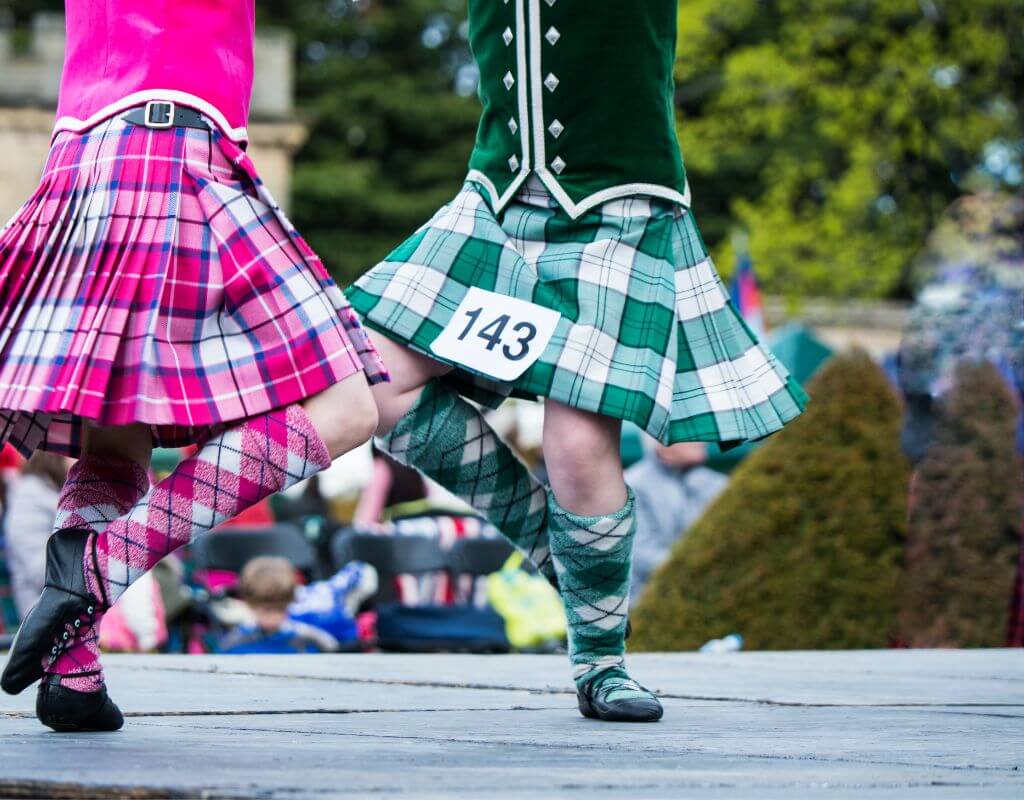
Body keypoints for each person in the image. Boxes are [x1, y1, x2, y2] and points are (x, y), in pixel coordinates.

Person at [0, 0, 386, 732]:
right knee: (351, 407)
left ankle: (73, 677)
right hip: (176, 140)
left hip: (86, 154)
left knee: (115, 434)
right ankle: (103, 565)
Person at [344, 0, 808, 722]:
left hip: (615, 209)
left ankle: (600, 661)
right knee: (369, 378)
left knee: (578, 446)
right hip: (497, 204)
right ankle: (549, 540)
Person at [626, 442, 728, 599]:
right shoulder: (633, 485)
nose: (702, 441)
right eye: (691, 433)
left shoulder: (717, 483)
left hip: (710, 594)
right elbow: (642, 553)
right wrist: (703, 566)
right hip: (652, 601)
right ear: (661, 439)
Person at [218, 557, 339, 655]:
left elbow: (331, 649)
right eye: (266, 610)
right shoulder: (234, 642)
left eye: (280, 609)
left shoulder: (308, 639)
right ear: (250, 604)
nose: (274, 618)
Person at [3, 453, 71, 614]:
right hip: (49, 613)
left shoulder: (55, 491)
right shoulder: (30, 496)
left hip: (75, 605)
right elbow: (43, 573)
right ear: (56, 456)